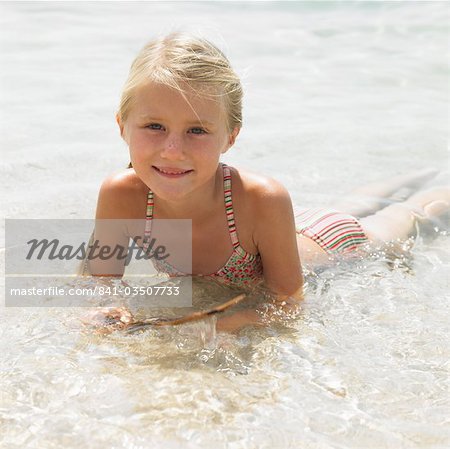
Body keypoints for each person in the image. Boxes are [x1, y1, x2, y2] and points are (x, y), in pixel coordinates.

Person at [87, 32, 449, 333]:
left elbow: (288, 305)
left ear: (230, 136)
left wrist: (211, 326)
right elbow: (103, 283)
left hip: (330, 240)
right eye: (154, 127)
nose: (172, 150)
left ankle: (431, 179)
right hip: (284, 228)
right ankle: (414, 172)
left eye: (197, 130)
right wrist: (107, 312)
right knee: (352, 201)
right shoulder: (120, 195)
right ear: (122, 126)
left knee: (408, 214)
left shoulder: (263, 198)